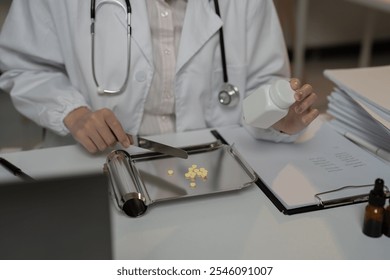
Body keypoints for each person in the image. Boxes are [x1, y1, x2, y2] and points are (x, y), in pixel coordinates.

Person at [0, 0, 319, 153]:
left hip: (213, 160)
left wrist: (277, 117)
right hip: (99, 160)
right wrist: (72, 112)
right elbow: (24, 66)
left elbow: (264, 85)